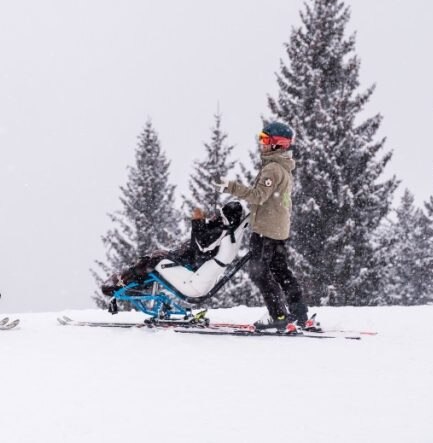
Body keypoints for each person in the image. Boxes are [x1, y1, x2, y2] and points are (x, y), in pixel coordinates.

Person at [219, 120, 312, 333]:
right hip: (279, 229)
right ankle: (299, 314)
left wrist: (231, 187)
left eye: (265, 139)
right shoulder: (284, 167)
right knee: (280, 270)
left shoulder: (272, 169)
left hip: (266, 230)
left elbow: (258, 196)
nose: (261, 144)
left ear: (277, 143)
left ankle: (278, 314)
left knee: (259, 272)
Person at [100, 200, 247, 299]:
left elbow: (201, 246)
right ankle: (131, 282)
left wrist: (198, 221)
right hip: (189, 261)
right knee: (155, 257)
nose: (216, 215)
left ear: (227, 218)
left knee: (153, 260)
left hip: (190, 265)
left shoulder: (221, 230)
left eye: (220, 214)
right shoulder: (224, 230)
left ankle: (121, 283)